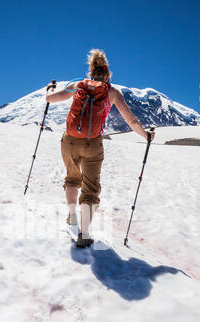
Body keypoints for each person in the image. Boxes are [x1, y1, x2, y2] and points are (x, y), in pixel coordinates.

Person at [46, 49, 155, 248]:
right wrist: (146, 135)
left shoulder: (78, 84)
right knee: (90, 189)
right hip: (93, 144)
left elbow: (51, 99)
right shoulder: (112, 92)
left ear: (91, 70)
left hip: (68, 140)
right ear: (108, 74)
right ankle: (84, 233)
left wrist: (49, 90)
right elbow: (130, 120)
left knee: (71, 178)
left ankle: (71, 216)